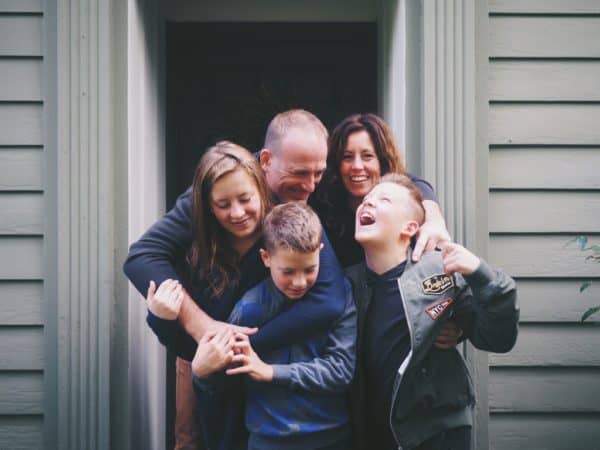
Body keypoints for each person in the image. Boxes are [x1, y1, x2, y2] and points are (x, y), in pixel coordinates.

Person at [345, 173, 519, 450]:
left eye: (384, 199)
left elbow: (497, 338)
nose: (368, 204)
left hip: (436, 431)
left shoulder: (443, 271)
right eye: (366, 200)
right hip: (371, 433)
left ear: (410, 227)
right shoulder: (347, 285)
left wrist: (481, 274)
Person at [196, 202, 356, 450]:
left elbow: (341, 370)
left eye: (310, 269)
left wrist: (270, 372)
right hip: (268, 440)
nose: (300, 281)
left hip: (332, 438)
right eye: (288, 271)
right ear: (266, 258)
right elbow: (220, 383)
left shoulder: (341, 295)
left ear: (321, 252)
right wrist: (202, 372)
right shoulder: (248, 309)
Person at [312, 113, 451, 268]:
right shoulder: (324, 203)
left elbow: (418, 186)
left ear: (382, 162)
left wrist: (434, 219)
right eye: (347, 157)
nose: (357, 166)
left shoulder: (403, 201)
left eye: (367, 156)